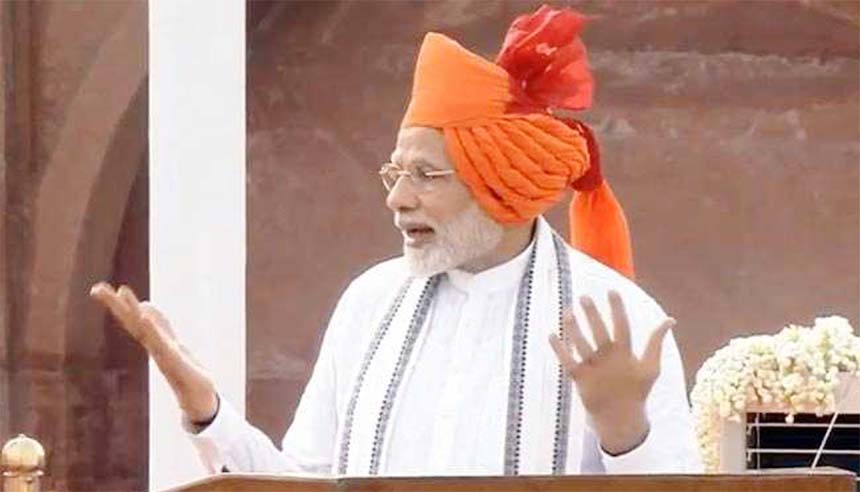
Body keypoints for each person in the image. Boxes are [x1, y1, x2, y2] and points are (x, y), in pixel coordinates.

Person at [91, 5, 701, 476]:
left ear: (502, 184)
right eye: (394, 173)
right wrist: (209, 413)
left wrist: (626, 433)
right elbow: (305, 485)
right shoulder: (371, 302)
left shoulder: (619, 318)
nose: (397, 198)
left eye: (425, 175)